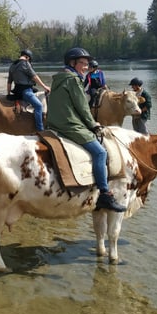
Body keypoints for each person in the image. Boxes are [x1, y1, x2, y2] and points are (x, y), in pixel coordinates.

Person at [45, 47, 126, 212]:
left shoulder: (58, 78)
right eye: (82, 63)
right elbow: (82, 107)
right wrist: (93, 124)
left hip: (54, 123)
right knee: (100, 152)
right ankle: (104, 194)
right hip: (69, 124)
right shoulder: (73, 80)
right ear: (72, 63)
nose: (86, 67)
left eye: (87, 64)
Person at [7, 49, 51, 132]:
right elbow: (34, 76)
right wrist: (45, 86)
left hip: (17, 91)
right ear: (27, 57)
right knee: (38, 106)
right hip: (26, 91)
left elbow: (9, 82)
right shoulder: (25, 63)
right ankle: (40, 130)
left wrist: (8, 94)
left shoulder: (12, 65)